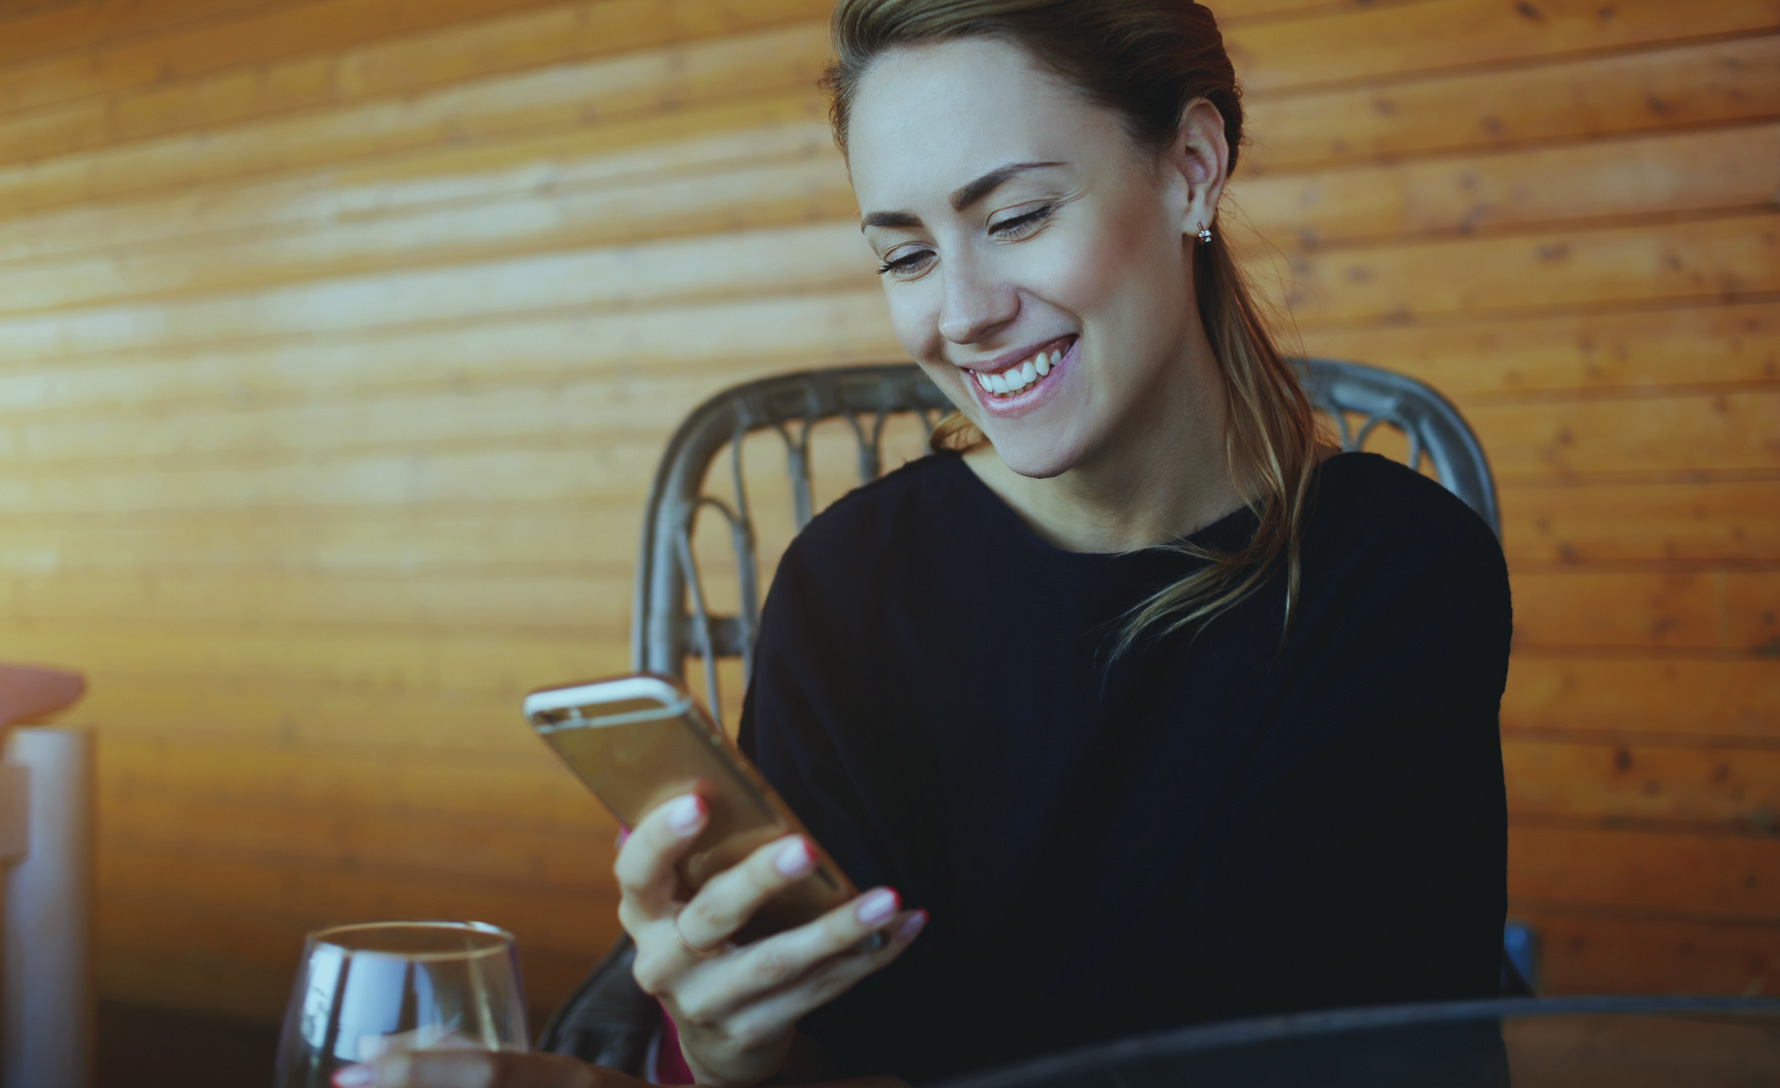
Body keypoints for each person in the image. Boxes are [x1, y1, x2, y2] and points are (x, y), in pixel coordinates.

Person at [337, 1, 1510, 1085]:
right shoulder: (849, 591)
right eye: (904, 252)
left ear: (1190, 169)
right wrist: (721, 1045)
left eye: (1015, 217)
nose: (960, 312)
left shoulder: (1397, 577)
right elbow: (829, 1053)